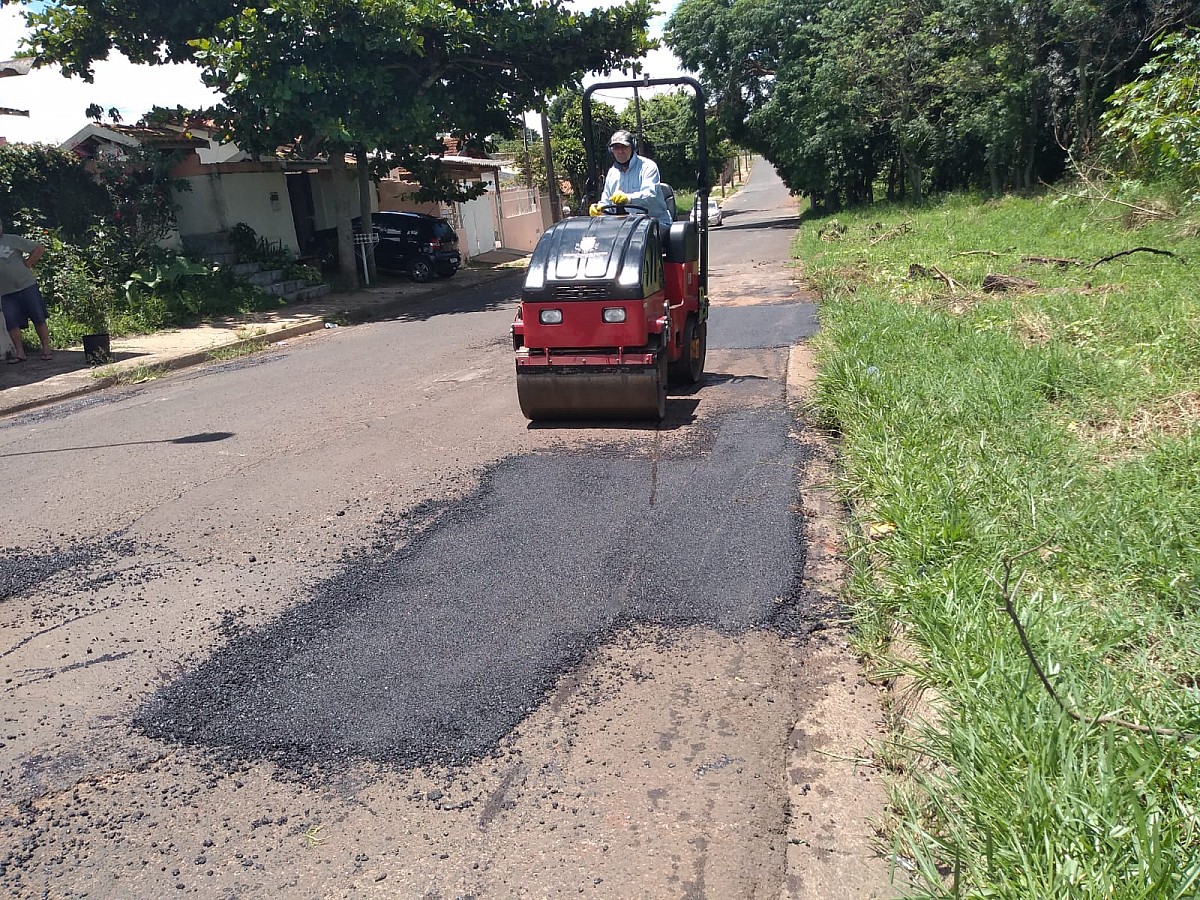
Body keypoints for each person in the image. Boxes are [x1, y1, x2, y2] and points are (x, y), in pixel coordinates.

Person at [589, 130, 673, 230]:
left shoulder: (648, 166)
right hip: (627, 227)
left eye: (624, 147)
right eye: (616, 148)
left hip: (655, 223)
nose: (620, 151)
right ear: (611, 151)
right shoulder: (612, 173)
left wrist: (629, 199)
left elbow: (650, 195)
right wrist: (599, 209)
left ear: (633, 147)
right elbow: (607, 203)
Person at [0, 221, 51, 363]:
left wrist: (29, 262)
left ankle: (46, 349)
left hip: (26, 285)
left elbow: (39, 248)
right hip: (5, 292)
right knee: (11, 323)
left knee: (38, 317)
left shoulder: (13, 239)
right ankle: (20, 353)